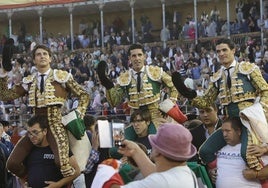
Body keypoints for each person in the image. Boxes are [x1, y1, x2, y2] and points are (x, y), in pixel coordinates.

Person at [172, 38, 268, 168]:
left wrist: (258, 112)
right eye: (218, 51)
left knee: (248, 155)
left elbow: (265, 90)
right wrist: (188, 93)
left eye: (224, 50)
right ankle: (218, 173)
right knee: (205, 151)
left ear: (233, 50)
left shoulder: (248, 68)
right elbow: (205, 101)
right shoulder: (217, 76)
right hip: (230, 122)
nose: (221, 54)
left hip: (249, 121)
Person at [0, 44, 90, 178]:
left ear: (50, 59)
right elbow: (5, 95)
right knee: (12, 163)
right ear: (34, 60)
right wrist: (3, 73)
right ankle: (31, 181)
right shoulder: (29, 81)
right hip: (35, 127)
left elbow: (84, 95)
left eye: (45, 54)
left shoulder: (62, 77)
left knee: (63, 164)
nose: (42, 56)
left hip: (56, 125)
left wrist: (78, 114)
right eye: (38, 54)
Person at [97, 43, 181, 128]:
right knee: (125, 139)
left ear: (144, 56)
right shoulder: (124, 77)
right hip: (135, 119)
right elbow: (114, 102)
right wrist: (107, 85)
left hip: (155, 116)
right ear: (129, 58)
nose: (137, 58)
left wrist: (168, 105)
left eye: (139, 55)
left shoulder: (155, 71)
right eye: (134, 56)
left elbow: (174, 86)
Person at [92, 123, 198, 188]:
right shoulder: (187, 172)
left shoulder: (160, 182)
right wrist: (136, 151)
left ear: (158, 152)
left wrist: (106, 170)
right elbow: (155, 173)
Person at [22, 115, 80, 188]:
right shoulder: (28, 150)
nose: (32, 136)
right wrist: (24, 184)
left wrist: (58, 184)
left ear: (45, 131)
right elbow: (21, 173)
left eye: (35, 132)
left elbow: (77, 171)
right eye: (29, 133)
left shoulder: (59, 148)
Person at [212, 117, 261, 188]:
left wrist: (257, 174)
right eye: (223, 131)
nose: (224, 134)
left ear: (238, 131)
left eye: (228, 131)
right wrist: (211, 172)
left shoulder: (251, 148)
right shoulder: (220, 149)